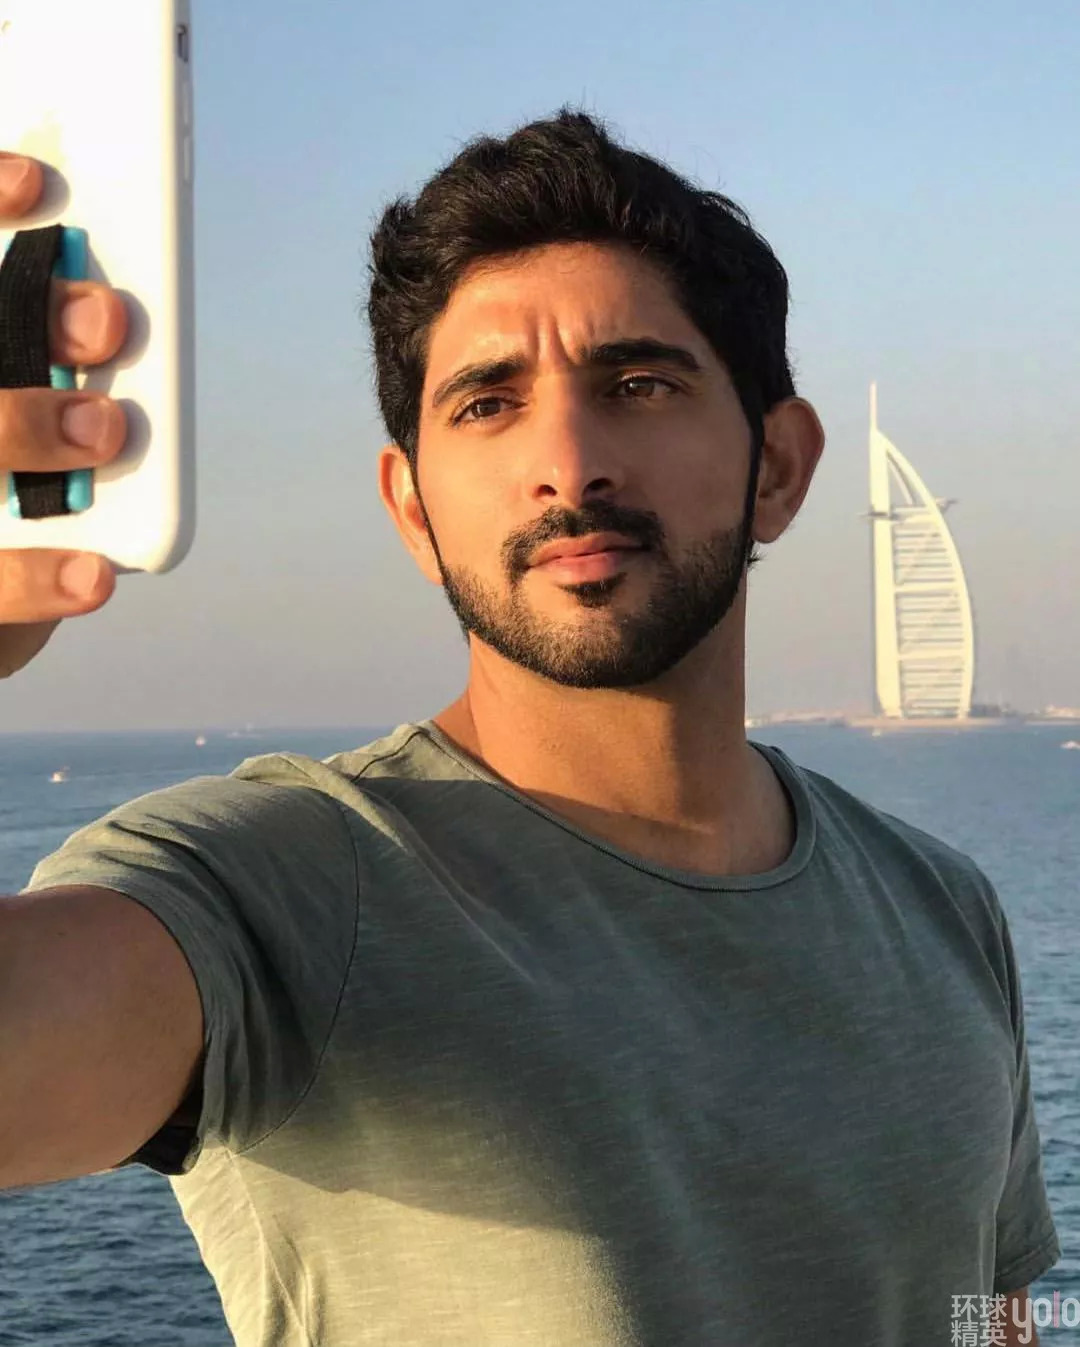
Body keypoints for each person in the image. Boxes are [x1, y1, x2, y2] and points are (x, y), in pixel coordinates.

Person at [0, 111, 1058, 1347]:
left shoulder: (943, 907)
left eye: (638, 386)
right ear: (412, 508)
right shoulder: (286, 884)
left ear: (777, 465)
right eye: (488, 404)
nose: (568, 463)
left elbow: (989, 1316)